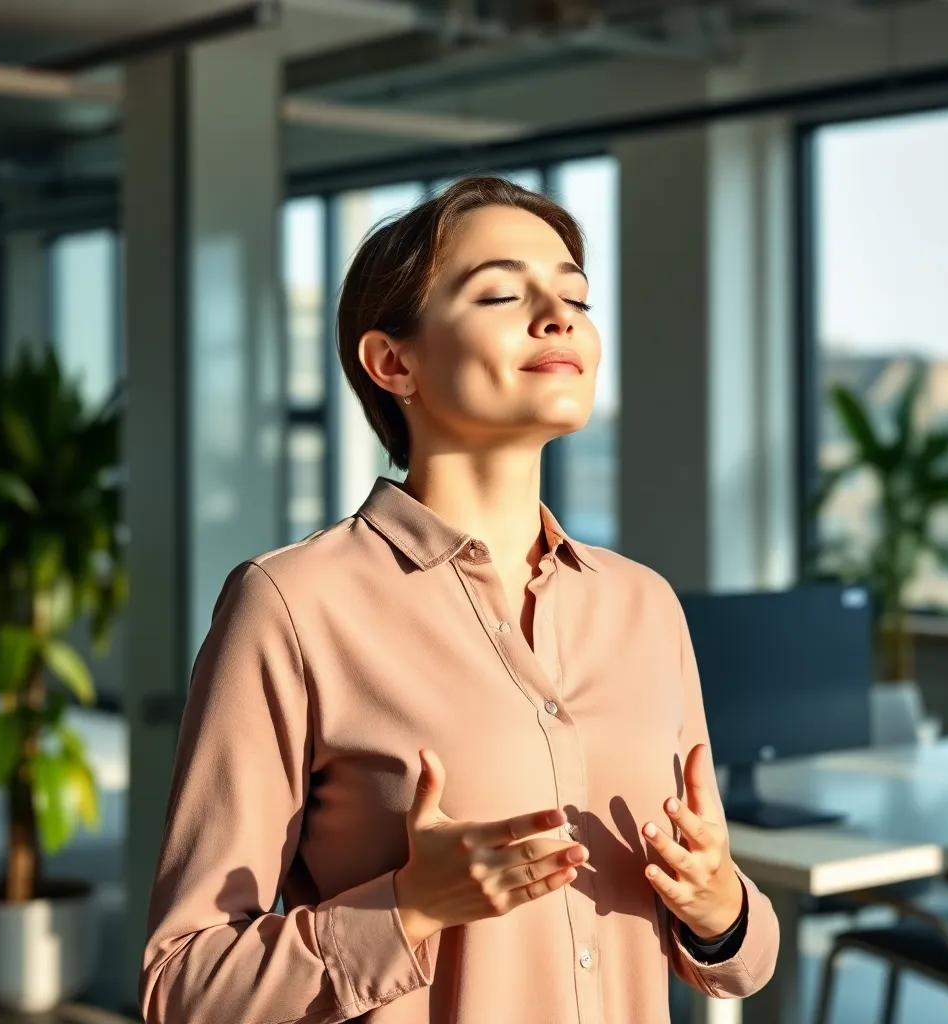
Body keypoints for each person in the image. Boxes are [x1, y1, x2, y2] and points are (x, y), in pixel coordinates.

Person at [138, 176, 779, 1024]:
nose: (561, 317)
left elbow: (744, 963)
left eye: (577, 297)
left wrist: (719, 907)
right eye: (505, 293)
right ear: (393, 362)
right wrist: (408, 907)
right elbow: (183, 986)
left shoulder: (646, 606)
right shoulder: (290, 606)